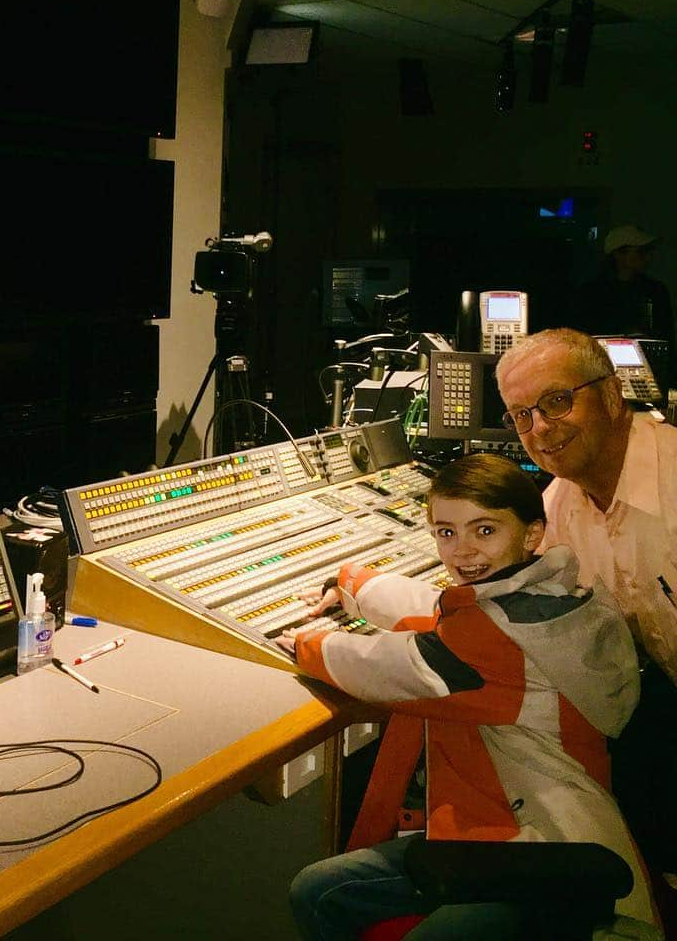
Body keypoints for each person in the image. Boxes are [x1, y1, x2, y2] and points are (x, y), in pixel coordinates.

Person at [277, 453, 654, 940]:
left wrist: (306, 644)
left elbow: (385, 668)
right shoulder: (551, 594)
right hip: (515, 825)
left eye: (485, 530)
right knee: (320, 887)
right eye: (446, 532)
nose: (463, 551)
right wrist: (352, 583)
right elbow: (436, 611)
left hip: (541, 848)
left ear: (532, 532)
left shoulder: (492, 637)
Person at [496, 327, 677, 925]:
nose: (541, 429)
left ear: (611, 395)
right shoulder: (561, 503)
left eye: (556, 401)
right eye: (522, 415)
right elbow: (501, 589)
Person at [568, 224, 674, 352]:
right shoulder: (592, 293)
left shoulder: (656, 291)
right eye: (641, 252)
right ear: (618, 254)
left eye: (648, 251)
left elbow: (666, 337)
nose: (648, 257)